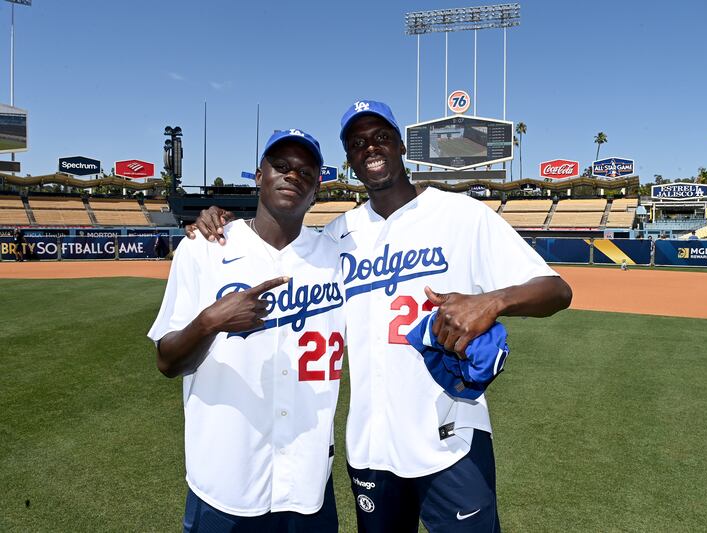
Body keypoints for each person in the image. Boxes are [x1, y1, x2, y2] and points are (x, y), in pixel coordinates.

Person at [188, 100, 572, 532]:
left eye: (381, 137)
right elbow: (280, 244)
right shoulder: (337, 237)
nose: (370, 147)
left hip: (451, 437)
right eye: (357, 143)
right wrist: (216, 220)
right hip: (371, 450)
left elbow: (556, 290)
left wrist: (493, 301)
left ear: (402, 145)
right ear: (350, 160)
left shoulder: (461, 215)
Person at [148, 129, 344, 532]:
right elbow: (167, 361)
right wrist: (210, 321)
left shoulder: (338, 258)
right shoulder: (205, 248)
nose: (293, 176)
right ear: (259, 176)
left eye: (306, 172)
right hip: (225, 484)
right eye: (282, 167)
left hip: (308, 485)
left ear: (317, 189)